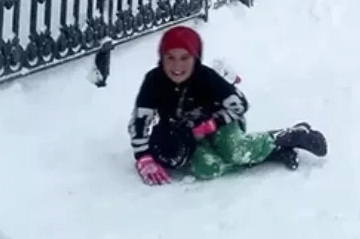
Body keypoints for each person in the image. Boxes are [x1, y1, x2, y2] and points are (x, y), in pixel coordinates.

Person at [128, 26, 327, 185]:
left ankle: (291, 136)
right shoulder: (154, 81)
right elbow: (139, 121)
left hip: (222, 124)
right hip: (187, 137)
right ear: (161, 57)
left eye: (184, 58)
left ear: (195, 58)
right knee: (208, 168)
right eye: (170, 57)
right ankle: (273, 152)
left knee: (235, 150)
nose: (177, 66)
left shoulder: (206, 77)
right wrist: (143, 157)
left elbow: (240, 103)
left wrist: (213, 123)